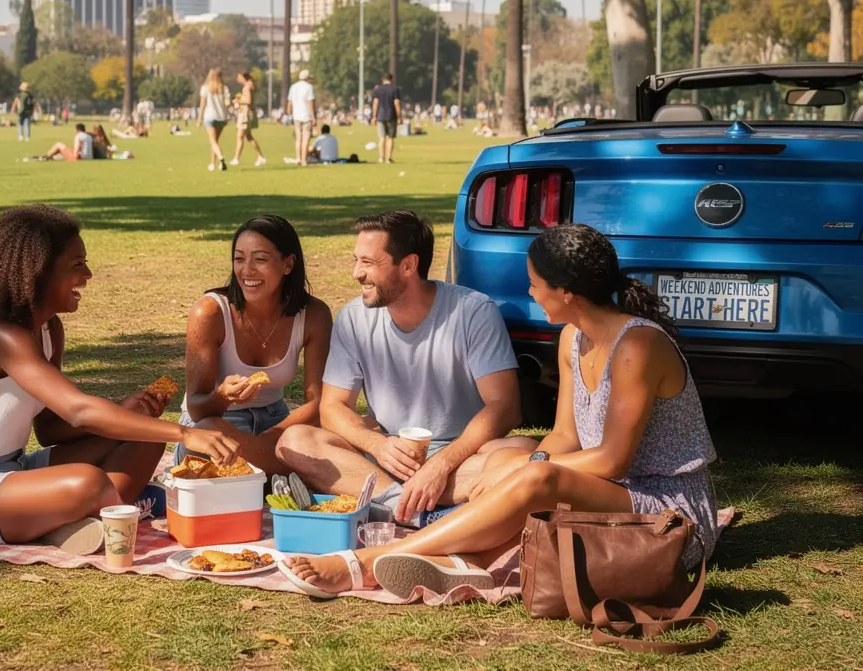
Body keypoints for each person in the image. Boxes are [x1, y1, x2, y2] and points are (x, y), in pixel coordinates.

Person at [279, 222, 720, 598]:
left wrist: (531, 468)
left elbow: (612, 459)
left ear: (567, 292)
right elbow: (565, 434)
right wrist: (524, 466)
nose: (530, 291)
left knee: (531, 470)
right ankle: (464, 557)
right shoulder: (572, 338)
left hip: (666, 511)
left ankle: (369, 560)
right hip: (609, 491)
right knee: (518, 463)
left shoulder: (637, 345)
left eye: (535, 283)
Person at [0, 205, 238, 552]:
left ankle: (68, 520)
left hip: (11, 469)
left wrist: (126, 413)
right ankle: (81, 514)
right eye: (76, 265)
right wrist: (186, 433)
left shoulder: (49, 329)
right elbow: (79, 411)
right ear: (38, 273)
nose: (89, 275)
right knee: (88, 484)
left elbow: (51, 429)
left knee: (144, 441)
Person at [276, 210, 524, 530]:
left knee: (522, 454)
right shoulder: (353, 319)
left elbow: (505, 407)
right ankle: (411, 509)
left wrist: (442, 464)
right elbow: (332, 407)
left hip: (461, 460)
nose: (355, 274)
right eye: (357, 260)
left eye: (368, 263)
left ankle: (390, 503)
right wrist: (377, 446)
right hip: (387, 460)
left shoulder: (474, 312)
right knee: (294, 441)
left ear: (408, 265)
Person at [178, 215, 333, 475]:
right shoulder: (209, 312)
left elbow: (318, 403)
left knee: (337, 429)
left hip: (278, 421)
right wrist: (223, 396)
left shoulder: (314, 315)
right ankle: (288, 474)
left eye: (260, 259)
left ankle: (261, 472)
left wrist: (269, 439)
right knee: (207, 431)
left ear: (288, 264)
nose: (246, 270)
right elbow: (196, 408)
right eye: (239, 259)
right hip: (218, 421)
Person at [231, 71, 267, 167]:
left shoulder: (247, 87)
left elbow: (248, 101)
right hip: (247, 113)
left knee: (240, 136)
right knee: (248, 137)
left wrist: (238, 100)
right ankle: (260, 157)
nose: (237, 80)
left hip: (245, 115)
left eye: (239, 77)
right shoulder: (250, 86)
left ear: (244, 77)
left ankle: (236, 159)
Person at [198, 68, 229, 171]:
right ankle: (212, 164)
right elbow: (227, 103)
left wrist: (199, 118)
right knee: (215, 141)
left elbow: (202, 105)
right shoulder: (224, 89)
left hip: (210, 116)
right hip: (221, 117)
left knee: (213, 141)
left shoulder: (205, 88)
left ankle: (221, 158)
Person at [286, 70, 316, 166]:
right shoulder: (309, 87)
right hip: (306, 115)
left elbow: (289, 102)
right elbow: (310, 103)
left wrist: (288, 113)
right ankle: (304, 160)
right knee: (306, 138)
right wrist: (313, 116)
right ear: (307, 78)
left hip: (296, 115)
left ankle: (298, 158)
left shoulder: (293, 87)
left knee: (298, 138)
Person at [371, 73, 402, 164]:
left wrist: (374, 116)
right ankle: (388, 158)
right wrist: (399, 116)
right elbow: (396, 103)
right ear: (391, 79)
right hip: (391, 115)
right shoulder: (395, 89)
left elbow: (375, 103)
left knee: (381, 137)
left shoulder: (378, 89)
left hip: (380, 115)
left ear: (382, 79)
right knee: (390, 137)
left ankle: (381, 157)